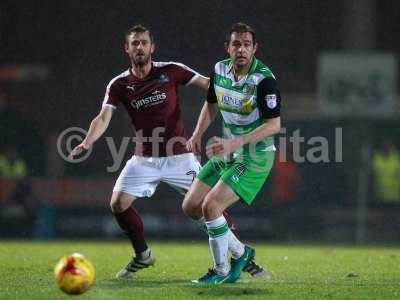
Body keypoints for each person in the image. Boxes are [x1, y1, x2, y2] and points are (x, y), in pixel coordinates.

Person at [70, 24, 265, 279]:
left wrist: (240, 95)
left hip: (179, 156)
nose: (139, 47)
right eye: (134, 43)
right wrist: (87, 141)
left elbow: (210, 85)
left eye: (143, 42)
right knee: (118, 203)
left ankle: (242, 258)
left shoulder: (171, 70)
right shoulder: (119, 84)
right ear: (126, 48)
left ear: (152, 47)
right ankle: (143, 256)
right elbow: (103, 117)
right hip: (143, 159)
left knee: (206, 206)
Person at [183, 22, 281, 284]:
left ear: (254, 48)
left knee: (211, 206)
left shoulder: (264, 80)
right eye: (236, 44)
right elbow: (211, 104)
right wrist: (197, 133)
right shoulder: (218, 70)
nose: (242, 50)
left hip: (255, 156)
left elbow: (274, 126)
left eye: (247, 45)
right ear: (227, 47)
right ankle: (240, 252)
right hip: (228, 149)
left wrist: (234, 144)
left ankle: (221, 270)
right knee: (191, 206)